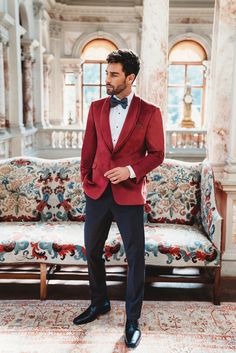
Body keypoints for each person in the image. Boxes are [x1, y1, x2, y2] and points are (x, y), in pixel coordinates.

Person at [73, 49, 164, 348]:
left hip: (129, 194)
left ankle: (132, 320)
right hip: (97, 191)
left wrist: (129, 170)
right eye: (106, 73)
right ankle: (99, 303)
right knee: (93, 250)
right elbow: (89, 147)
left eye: (113, 74)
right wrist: (87, 179)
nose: (107, 80)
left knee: (135, 257)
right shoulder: (97, 107)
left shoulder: (150, 112)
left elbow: (157, 154)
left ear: (130, 77)